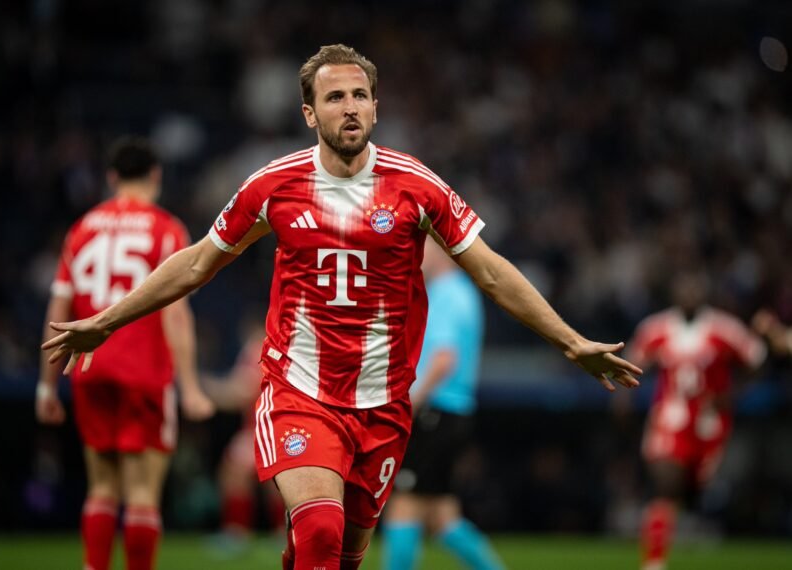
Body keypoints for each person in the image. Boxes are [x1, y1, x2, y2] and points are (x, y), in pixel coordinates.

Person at [42, 44, 641, 570]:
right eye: (335, 97)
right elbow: (197, 262)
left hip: (382, 405)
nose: (350, 106)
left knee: (339, 555)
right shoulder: (274, 185)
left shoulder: (417, 186)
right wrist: (104, 322)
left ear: (376, 107)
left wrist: (569, 341)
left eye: (361, 95)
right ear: (310, 113)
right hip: (299, 391)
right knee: (322, 530)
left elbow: (490, 270)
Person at [35, 136, 215, 570]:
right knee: (141, 494)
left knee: (101, 488)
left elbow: (58, 310)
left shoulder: (82, 229)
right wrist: (190, 386)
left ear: (112, 177)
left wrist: (45, 387)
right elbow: (175, 314)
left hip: (88, 369)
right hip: (144, 372)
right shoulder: (167, 228)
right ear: (156, 175)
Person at [623, 271, 765, 570]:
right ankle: (654, 563)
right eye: (683, 289)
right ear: (674, 294)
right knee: (664, 485)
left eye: (695, 289)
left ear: (705, 293)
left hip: (709, 425)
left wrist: (733, 392)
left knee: (696, 493)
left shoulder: (725, 329)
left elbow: (756, 359)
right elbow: (634, 364)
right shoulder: (656, 328)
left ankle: (699, 526)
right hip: (669, 420)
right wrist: (622, 398)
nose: (689, 295)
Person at [382, 240, 504, 570]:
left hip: (436, 411)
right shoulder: (460, 292)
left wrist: (408, 402)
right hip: (454, 412)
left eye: (423, 248)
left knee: (404, 507)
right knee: (441, 515)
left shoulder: (447, 294)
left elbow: (443, 360)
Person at [203, 317, 286, 550]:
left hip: (272, 428)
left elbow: (243, 390)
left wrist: (210, 389)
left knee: (272, 479)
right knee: (234, 472)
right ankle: (236, 532)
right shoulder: (254, 350)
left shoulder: (265, 349)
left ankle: (281, 531)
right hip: (255, 429)